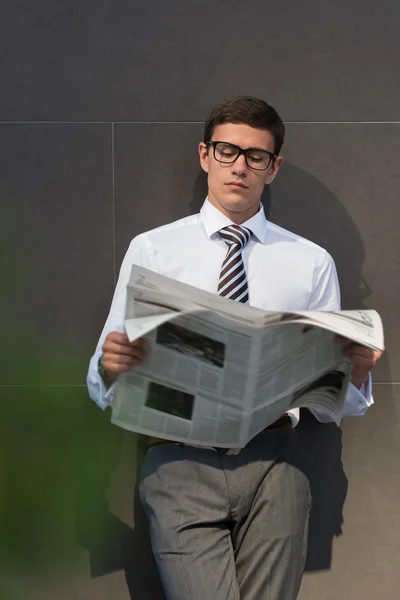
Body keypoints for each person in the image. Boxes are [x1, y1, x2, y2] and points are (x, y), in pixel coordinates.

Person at [87, 96, 383, 600]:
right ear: (205, 155)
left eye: (256, 157)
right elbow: (103, 378)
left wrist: (352, 370)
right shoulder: (155, 249)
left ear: (274, 168)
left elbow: (335, 405)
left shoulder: (310, 261)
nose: (239, 167)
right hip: (178, 457)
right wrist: (113, 366)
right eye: (227, 151)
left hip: (276, 461)